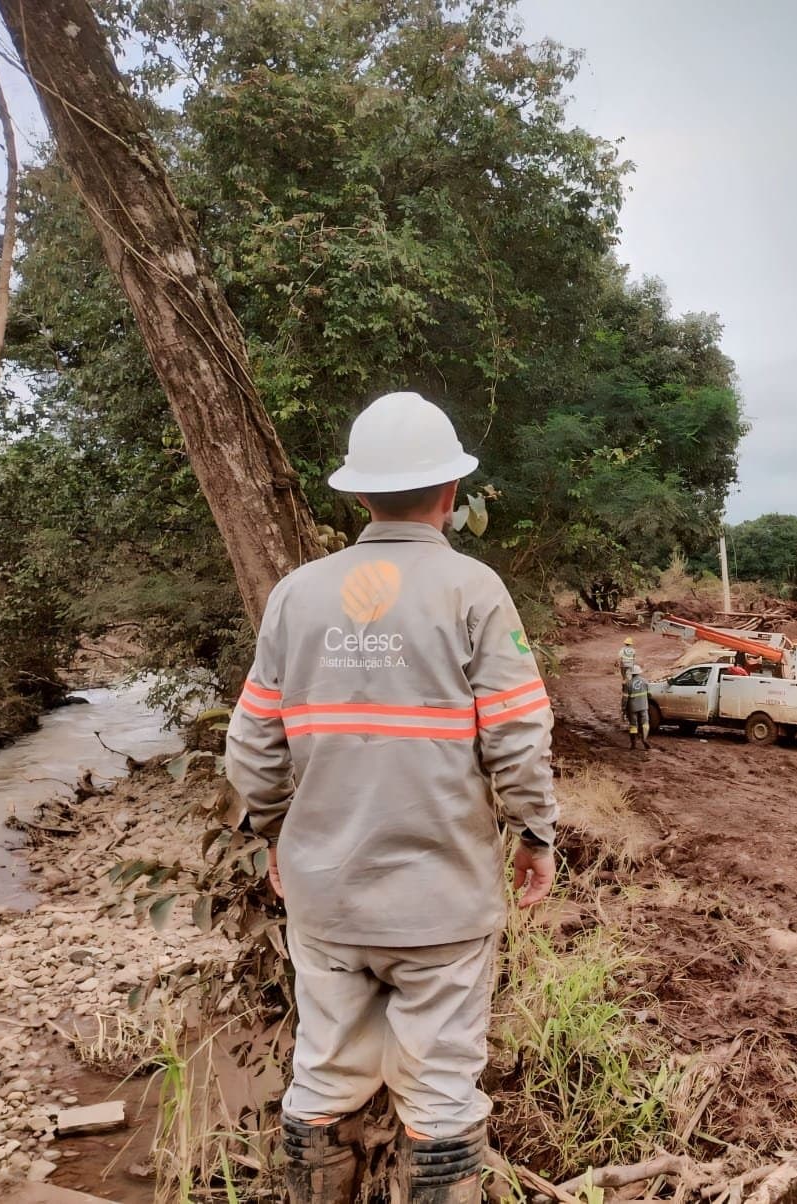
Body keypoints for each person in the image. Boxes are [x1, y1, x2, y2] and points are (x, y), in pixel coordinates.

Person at [225, 391, 558, 1204]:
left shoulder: (297, 595)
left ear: (360, 495)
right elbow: (518, 738)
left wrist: (273, 835)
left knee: (324, 1076)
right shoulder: (473, 591)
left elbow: (251, 743)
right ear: (451, 495)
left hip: (326, 900)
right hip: (441, 905)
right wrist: (536, 835)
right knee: (441, 1093)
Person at [624, 664, 652, 750]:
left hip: (632, 708)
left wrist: (623, 708)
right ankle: (644, 739)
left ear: (632, 674)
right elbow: (649, 694)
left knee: (633, 726)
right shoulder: (645, 681)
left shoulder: (628, 683)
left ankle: (633, 744)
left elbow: (625, 699)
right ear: (639, 672)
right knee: (645, 724)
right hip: (643, 706)